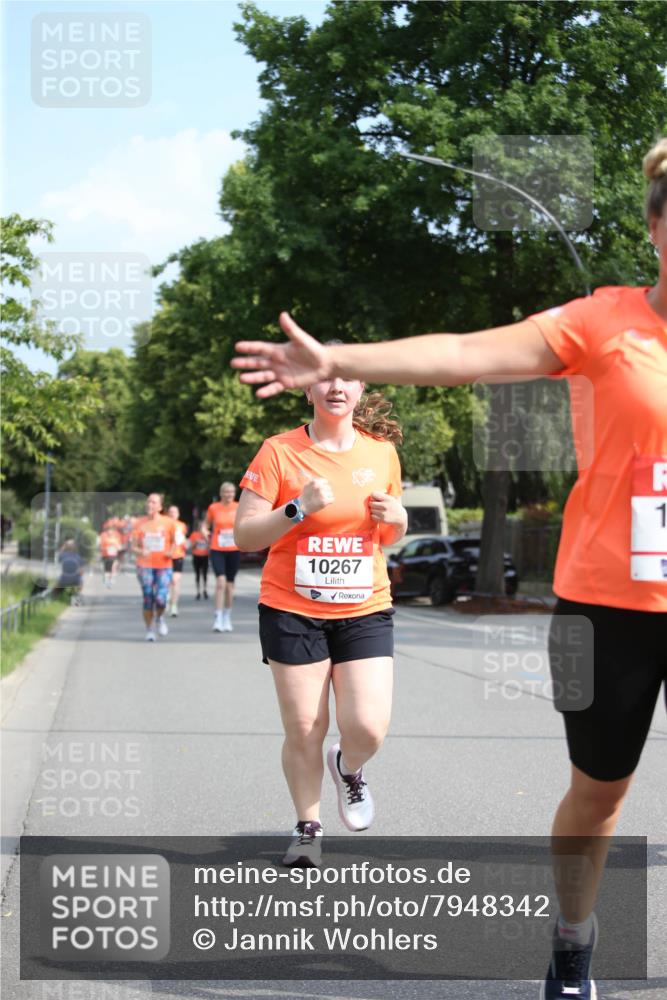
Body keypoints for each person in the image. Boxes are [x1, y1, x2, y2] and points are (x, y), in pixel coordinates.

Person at [232, 140, 667, 997]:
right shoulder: (601, 322)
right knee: (600, 796)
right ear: (656, 229)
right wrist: (341, 359)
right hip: (607, 603)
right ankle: (572, 944)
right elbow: (465, 352)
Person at [235, 374, 407, 868]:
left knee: (369, 726)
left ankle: (348, 767)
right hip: (293, 607)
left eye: (347, 378)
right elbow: (245, 535)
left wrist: (400, 519)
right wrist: (296, 508)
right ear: (307, 392)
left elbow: (389, 534)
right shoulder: (278, 452)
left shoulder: (381, 454)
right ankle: (307, 827)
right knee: (306, 726)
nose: (336, 387)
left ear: (359, 390)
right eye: (324, 379)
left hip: (364, 606)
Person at [131, 493, 176, 642]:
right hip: (145, 566)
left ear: (160, 507)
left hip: (164, 565)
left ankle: (160, 617)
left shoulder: (169, 523)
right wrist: (140, 551)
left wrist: (171, 551)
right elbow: (133, 546)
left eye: (153, 502)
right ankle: (149, 629)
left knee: (161, 599)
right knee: (148, 598)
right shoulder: (139, 523)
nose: (150, 504)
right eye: (148, 501)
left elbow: (177, 542)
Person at [206, 482, 241, 632]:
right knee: (221, 581)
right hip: (217, 548)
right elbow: (205, 525)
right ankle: (218, 617)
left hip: (233, 548)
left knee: (230, 585)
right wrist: (203, 531)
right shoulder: (214, 508)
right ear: (221, 493)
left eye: (231, 492)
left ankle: (227, 616)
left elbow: (244, 524)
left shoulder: (238, 507)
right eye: (226, 492)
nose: (229, 495)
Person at [167, 504, 188, 616]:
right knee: (168, 581)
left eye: (174, 512)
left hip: (178, 555)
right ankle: (167, 598)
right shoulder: (164, 525)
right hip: (165, 557)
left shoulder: (182, 525)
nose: (172, 514)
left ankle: (174, 605)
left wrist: (184, 545)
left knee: (175, 580)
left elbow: (183, 541)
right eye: (170, 512)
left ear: (178, 514)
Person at [54, 539, 85, 604]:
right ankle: (78, 595)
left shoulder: (63, 556)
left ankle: (54, 598)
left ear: (66, 547)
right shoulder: (77, 557)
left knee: (57, 585)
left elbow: (59, 554)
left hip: (63, 579)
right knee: (81, 579)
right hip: (75, 580)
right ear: (74, 548)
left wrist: (64, 546)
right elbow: (82, 571)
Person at [189, 518, 210, 600]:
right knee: (197, 574)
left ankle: (205, 589)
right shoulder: (194, 534)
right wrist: (195, 542)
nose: (201, 527)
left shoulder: (208, 534)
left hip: (205, 556)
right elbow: (191, 546)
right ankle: (198, 591)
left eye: (203, 526)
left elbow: (211, 545)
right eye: (200, 526)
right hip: (196, 556)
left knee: (205, 574)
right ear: (198, 527)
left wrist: (205, 537)